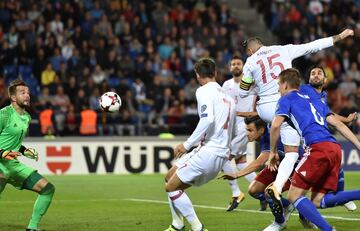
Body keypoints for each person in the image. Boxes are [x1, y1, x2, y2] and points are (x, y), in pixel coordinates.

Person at [239, 29, 354, 200]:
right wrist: (338, 37)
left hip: (265, 109)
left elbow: (243, 92)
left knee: (292, 148)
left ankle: (288, 182)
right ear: (262, 44)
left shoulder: (249, 62)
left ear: (250, 50)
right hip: (285, 102)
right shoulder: (283, 49)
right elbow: (312, 46)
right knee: (295, 150)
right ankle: (279, 187)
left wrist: (258, 86)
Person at [269, 68, 360, 231]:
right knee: (319, 201)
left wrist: (272, 152)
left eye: (278, 85)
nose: (277, 89)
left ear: (284, 84)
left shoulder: (286, 99)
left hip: (317, 148)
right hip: (334, 148)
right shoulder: (316, 101)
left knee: (293, 195)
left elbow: (275, 126)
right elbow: (338, 125)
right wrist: (359, 145)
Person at [164, 58, 236, 231]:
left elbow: (207, 119)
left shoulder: (203, 91)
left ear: (197, 75)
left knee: (171, 187)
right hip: (219, 153)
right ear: (215, 73)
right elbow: (232, 128)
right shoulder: (228, 97)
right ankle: (177, 224)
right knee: (169, 177)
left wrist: (187, 144)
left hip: (209, 151)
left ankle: (197, 228)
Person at [219, 116, 297, 230]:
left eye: (250, 130)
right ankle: (288, 205)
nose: (247, 133)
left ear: (261, 130)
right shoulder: (261, 136)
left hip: (293, 169)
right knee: (253, 190)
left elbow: (259, 162)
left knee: (269, 193)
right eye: (247, 130)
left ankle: (279, 223)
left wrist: (236, 175)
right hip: (276, 165)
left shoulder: (269, 136)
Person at [300, 65, 357, 212]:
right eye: (313, 73)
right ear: (308, 79)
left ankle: (342, 196)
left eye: (319, 73)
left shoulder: (322, 96)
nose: (316, 75)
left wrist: (346, 119)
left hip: (317, 141)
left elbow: (329, 115)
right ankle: (342, 197)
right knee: (300, 188)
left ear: (325, 79)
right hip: (301, 141)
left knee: (335, 167)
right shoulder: (304, 90)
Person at [0, 79, 55, 231]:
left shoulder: (27, 117)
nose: (27, 95)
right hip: (0, 162)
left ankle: (32, 227)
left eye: (28, 92)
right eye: (22, 93)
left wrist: (25, 151)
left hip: (13, 164)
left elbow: (14, 143)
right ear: (12, 97)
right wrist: (2, 152)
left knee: (48, 189)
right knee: (2, 176)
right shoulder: (4, 115)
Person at [221, 56, 259, 211]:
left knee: (224, 156)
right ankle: (261, 192)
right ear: (230, 67)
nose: (235, 66)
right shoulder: (226, 84)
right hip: (230, 127)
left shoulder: (250, 83)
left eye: (238, 63)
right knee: (241, 161)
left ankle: (236, 193)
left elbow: (257, 104)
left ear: (243, 66)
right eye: (232, 64)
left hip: (245, 126)